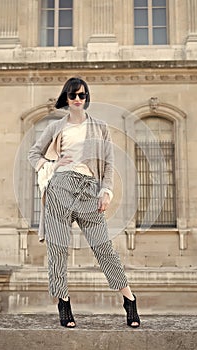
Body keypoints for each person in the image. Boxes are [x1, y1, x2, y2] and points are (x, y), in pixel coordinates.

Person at [28, 77, 140, 328]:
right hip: (60, 188)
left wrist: (106, 191)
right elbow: (33, 153)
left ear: (87, 98)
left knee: (103, 248)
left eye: (82, 95)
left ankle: (129, 299)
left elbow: (109, 162)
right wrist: (52, 165)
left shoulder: (99, 126)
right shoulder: (56, 127)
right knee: (57, 250)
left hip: (89, 189)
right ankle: (63, 302)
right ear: (65, 99)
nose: (78, 99)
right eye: (73, 95)